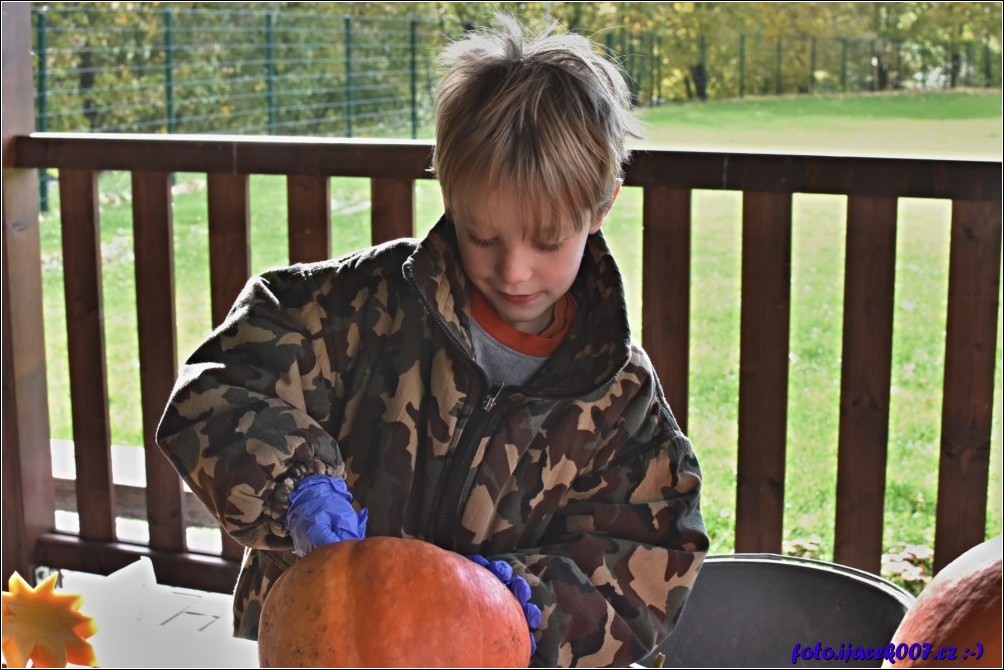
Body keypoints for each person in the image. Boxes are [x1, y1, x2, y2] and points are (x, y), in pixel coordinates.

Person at [157, 14, 708, 667]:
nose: (514, 270)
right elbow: (216, 389)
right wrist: (296, 485)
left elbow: (646, 565)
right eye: (483, 236)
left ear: (602, 207)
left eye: (547, 240)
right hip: (319, 647)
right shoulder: (353, 308)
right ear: (449, 194)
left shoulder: (622, 403)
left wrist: (530, 606)